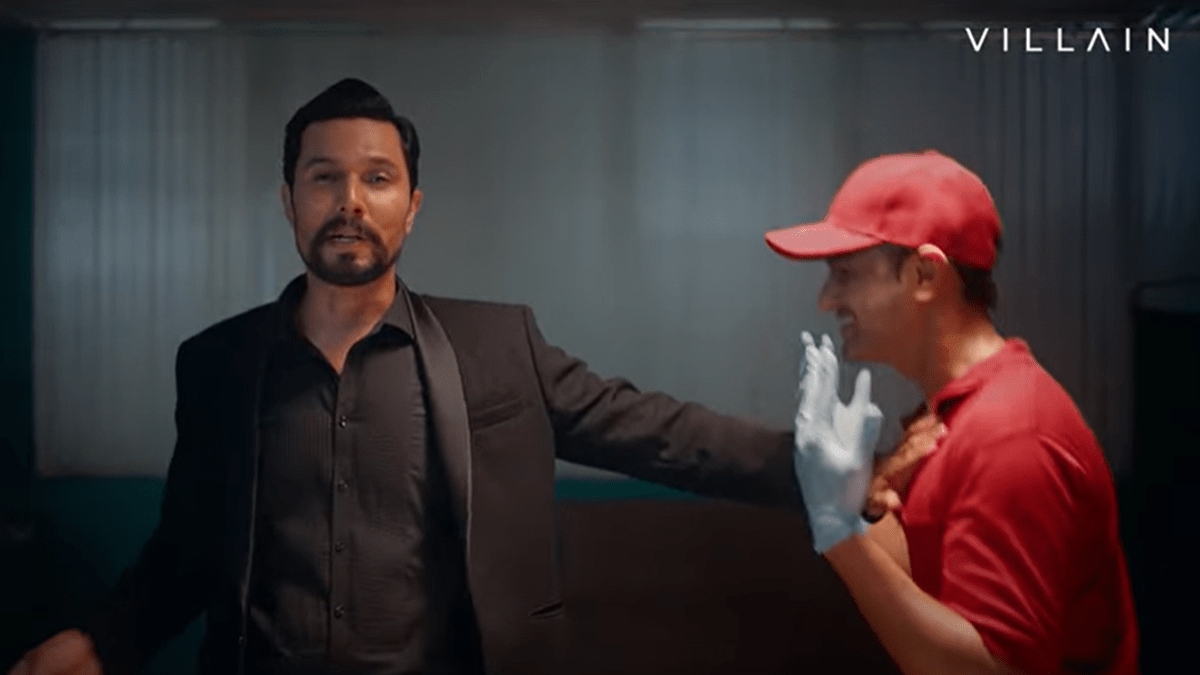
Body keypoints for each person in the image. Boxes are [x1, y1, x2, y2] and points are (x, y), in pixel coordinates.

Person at [9, 80, 933, 675]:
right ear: (288, 201)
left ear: (411, 207)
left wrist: (828, 471)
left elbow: (657, 433)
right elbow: (183, 555)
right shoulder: (215, 364)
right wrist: (97, 640)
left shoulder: (496, 347)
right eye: (323, 178)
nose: (349, 201)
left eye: (377, 178)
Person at [767, 150, 1140, 675]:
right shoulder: (952, 416)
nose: (827, 300)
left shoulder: (1012, 436)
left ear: (924, 274)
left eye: (846, 273)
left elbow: (994, 668)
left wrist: (840, 535)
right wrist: (857, 512)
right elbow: (932, 589)